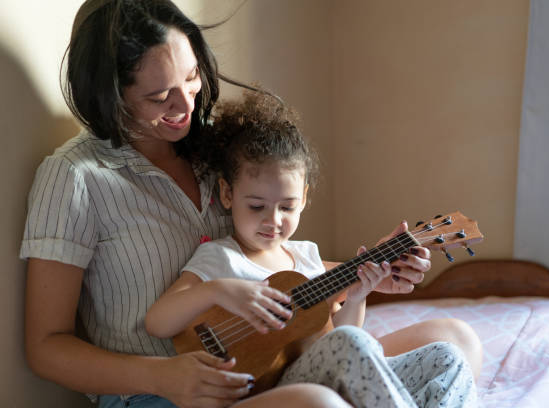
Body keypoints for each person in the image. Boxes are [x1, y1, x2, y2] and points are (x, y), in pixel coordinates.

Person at [20, 1, 481, 407]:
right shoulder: (75, 178)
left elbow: (272, 273)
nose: (185, 105)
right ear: (109, 95)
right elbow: (45, 347)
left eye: (192, 77)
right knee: (317, 404)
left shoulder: (220, 151)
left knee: (455, 339)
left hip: (273, 366)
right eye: (160, 96)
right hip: (161, 395)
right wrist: (161, 376)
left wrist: (372, 269)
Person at [145, 91, 479, 407]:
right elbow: (158, 323)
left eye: (286, 207)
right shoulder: (221, 257)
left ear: (304, 198)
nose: (273, 220)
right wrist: (217, 290)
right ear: (228, 194)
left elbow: (339, 340)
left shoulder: (306, 257)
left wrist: (359, 294)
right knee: (352, 345)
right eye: (257, 206)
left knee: (447, 356)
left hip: (323, 378)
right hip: (272, 393)